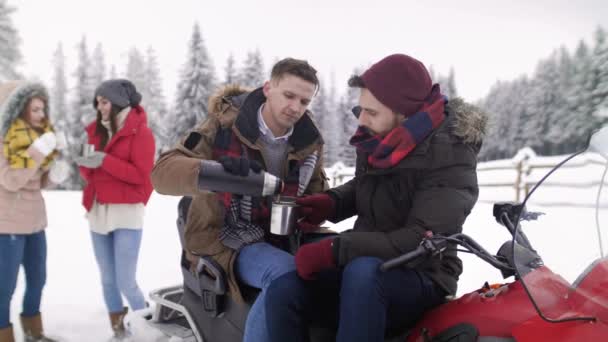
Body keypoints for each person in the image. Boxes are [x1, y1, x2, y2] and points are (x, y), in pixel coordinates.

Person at [265, 54, 488, 342]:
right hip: (369, 262)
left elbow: (420, 238)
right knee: (286, 288)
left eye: (371, 112)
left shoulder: (450, 154)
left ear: (405, 113)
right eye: (361, 108)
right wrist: (330, 203)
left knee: (363, 273)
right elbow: (367, 187)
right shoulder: (381, 140)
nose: (361, 119)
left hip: (423, 274)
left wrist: (335, 249)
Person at [151, 58, 328, 342]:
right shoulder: (223, 127)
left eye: (304, 101)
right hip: (225, 235)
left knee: (346, 261)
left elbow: (317, 194)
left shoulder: (309, 142)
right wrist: (214, 172)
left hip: (287, 234)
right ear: (268, 88)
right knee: (285, 274)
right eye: (289, 95)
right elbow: (162, 173)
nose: (295, 107)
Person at [74, 79, 155, 340]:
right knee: (108, 279)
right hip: (98, 212)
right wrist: (85, 162)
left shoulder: (140, 133)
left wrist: (105, 161)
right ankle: (119, 332)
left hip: (127, 214)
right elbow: (87, 174)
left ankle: (148, 329)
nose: (100, 106)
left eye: (104, 101)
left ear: (118, 101)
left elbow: (141, 175)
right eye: (97, 102)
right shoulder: (95, 131)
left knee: (126, 281)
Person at [0, 81, 70, 342]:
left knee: (38, 279)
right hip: (7, 227)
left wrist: (55, 174)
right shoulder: (4, 141)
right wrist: (40, 150)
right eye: (36, 109)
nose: (42, 115)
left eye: (43, 109)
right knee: (4, 287)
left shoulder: (35, 138)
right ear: (18, 110)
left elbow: (37, 182)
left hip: (35, 223)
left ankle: (33, 331)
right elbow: (11, 180)